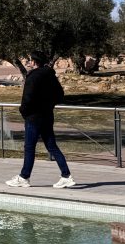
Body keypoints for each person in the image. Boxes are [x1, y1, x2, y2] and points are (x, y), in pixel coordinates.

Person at [5, 52, 74, 188]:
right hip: (47, 115)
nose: (28, 62)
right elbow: (60, 95)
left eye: (30, 60)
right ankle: (66, 175)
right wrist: (49, 105)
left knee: (29, 147)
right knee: (51, 146)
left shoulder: (33, 77)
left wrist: (24, 111)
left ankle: (24, 177)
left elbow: (27, 98)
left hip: (33, 117)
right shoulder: (50, 75)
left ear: (34, 62)